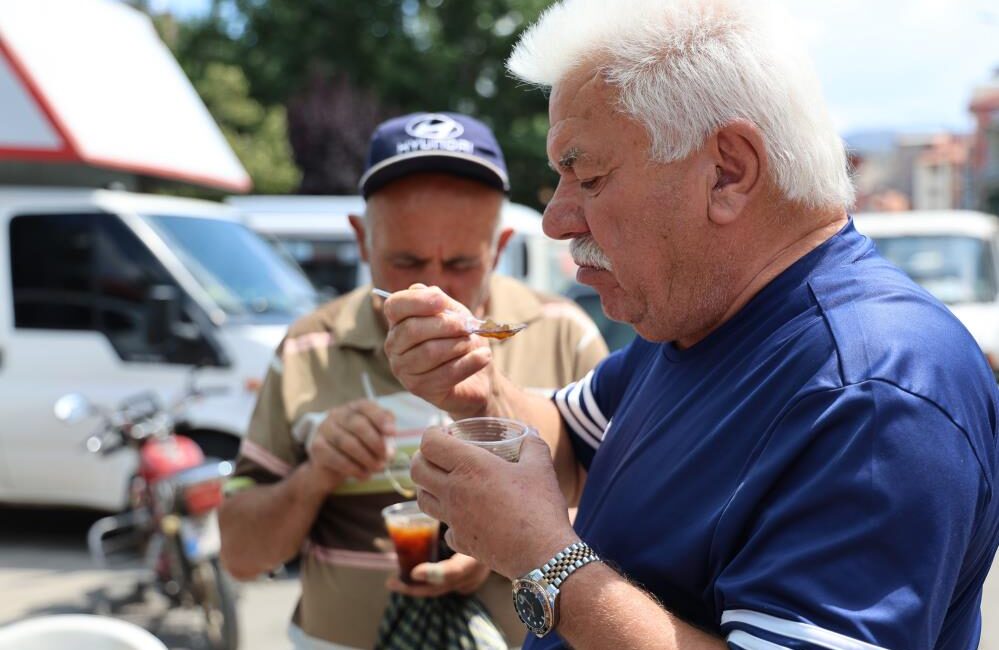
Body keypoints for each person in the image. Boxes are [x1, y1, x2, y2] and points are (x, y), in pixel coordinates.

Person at [381, 2, 999, 650]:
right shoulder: (700, 313)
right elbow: (568, 441)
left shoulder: (871, 391)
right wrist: (476, 390)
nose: (557, 220)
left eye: (587, 177)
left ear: (727, 171)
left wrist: (544, 558)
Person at [218, 111, 608, 649]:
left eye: (463, 264)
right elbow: (240, 555)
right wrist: (316, 476)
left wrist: (503, 549)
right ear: (361, 240)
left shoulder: (562, 333)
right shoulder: (309, 348)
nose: (435, 291)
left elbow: (621, 519)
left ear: (498, 248)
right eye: (406, 262)